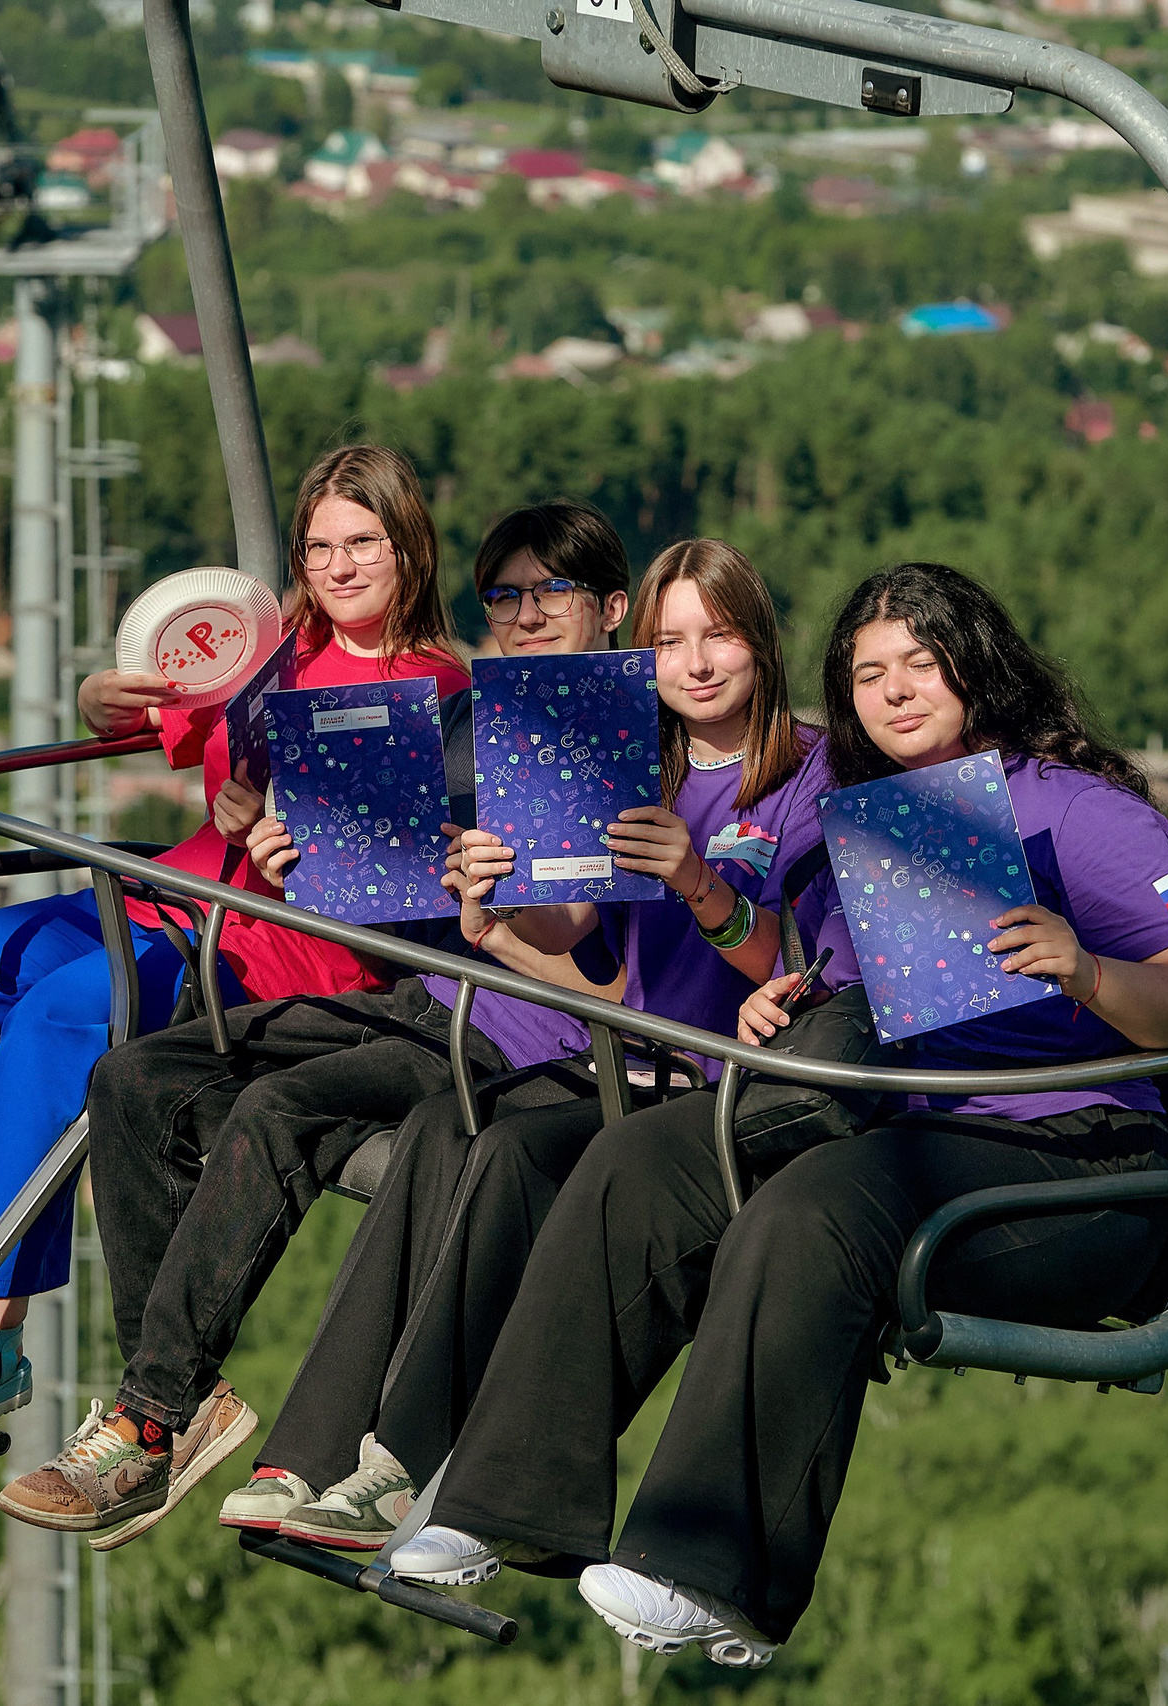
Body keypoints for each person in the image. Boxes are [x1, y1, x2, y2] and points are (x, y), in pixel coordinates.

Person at [386, 562, 1168, 1670]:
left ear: (979, 664)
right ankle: (505, 1497)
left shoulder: (1076, 809)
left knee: (816, 1210)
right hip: (898, 1116)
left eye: (920, 663)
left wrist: (1083, 969)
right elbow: (840, 972)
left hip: (1071, 1156)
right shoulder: (862, 821)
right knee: (646, 1155)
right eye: (867, 672)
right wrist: (790, 989)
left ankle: (714, 1567)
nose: (893, 690)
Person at [0, 444, 469, 1444]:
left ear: (410, 547)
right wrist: (106, 704)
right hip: (178, 886)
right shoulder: (271, 645)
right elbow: (170, 712)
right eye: (320, 544)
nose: (338, 566)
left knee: (60, 1018)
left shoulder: (434, 690)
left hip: (269, 938)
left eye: (363, 542)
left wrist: (281, 838)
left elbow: (388, 876)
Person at [0, 498, 642, 1543]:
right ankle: (170, 1398)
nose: (525, 614)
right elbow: (406, 903)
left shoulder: (590, 722)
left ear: (610, 604)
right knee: (137, 1080)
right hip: (430, 986)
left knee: (280, 1106)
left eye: (550, 591)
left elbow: (571, 934)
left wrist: (490, 906)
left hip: (518, 1032)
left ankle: (147, 1423)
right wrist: (308, 862)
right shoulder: (484, 713)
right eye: (507, 594)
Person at [225, 539, 843, 1556]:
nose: (695, 663)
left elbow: (801, 965)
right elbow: (576, 937)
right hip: (619, 1058)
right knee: (441, 1127)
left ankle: (400, 1465)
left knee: (512, 1153)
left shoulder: (809, 778)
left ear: (760, 643)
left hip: (715, 1087)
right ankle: (314, 1449)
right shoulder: (628, 763)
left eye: (718, 635)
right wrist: (496, 910)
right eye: (670, 640)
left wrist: (701, 886)